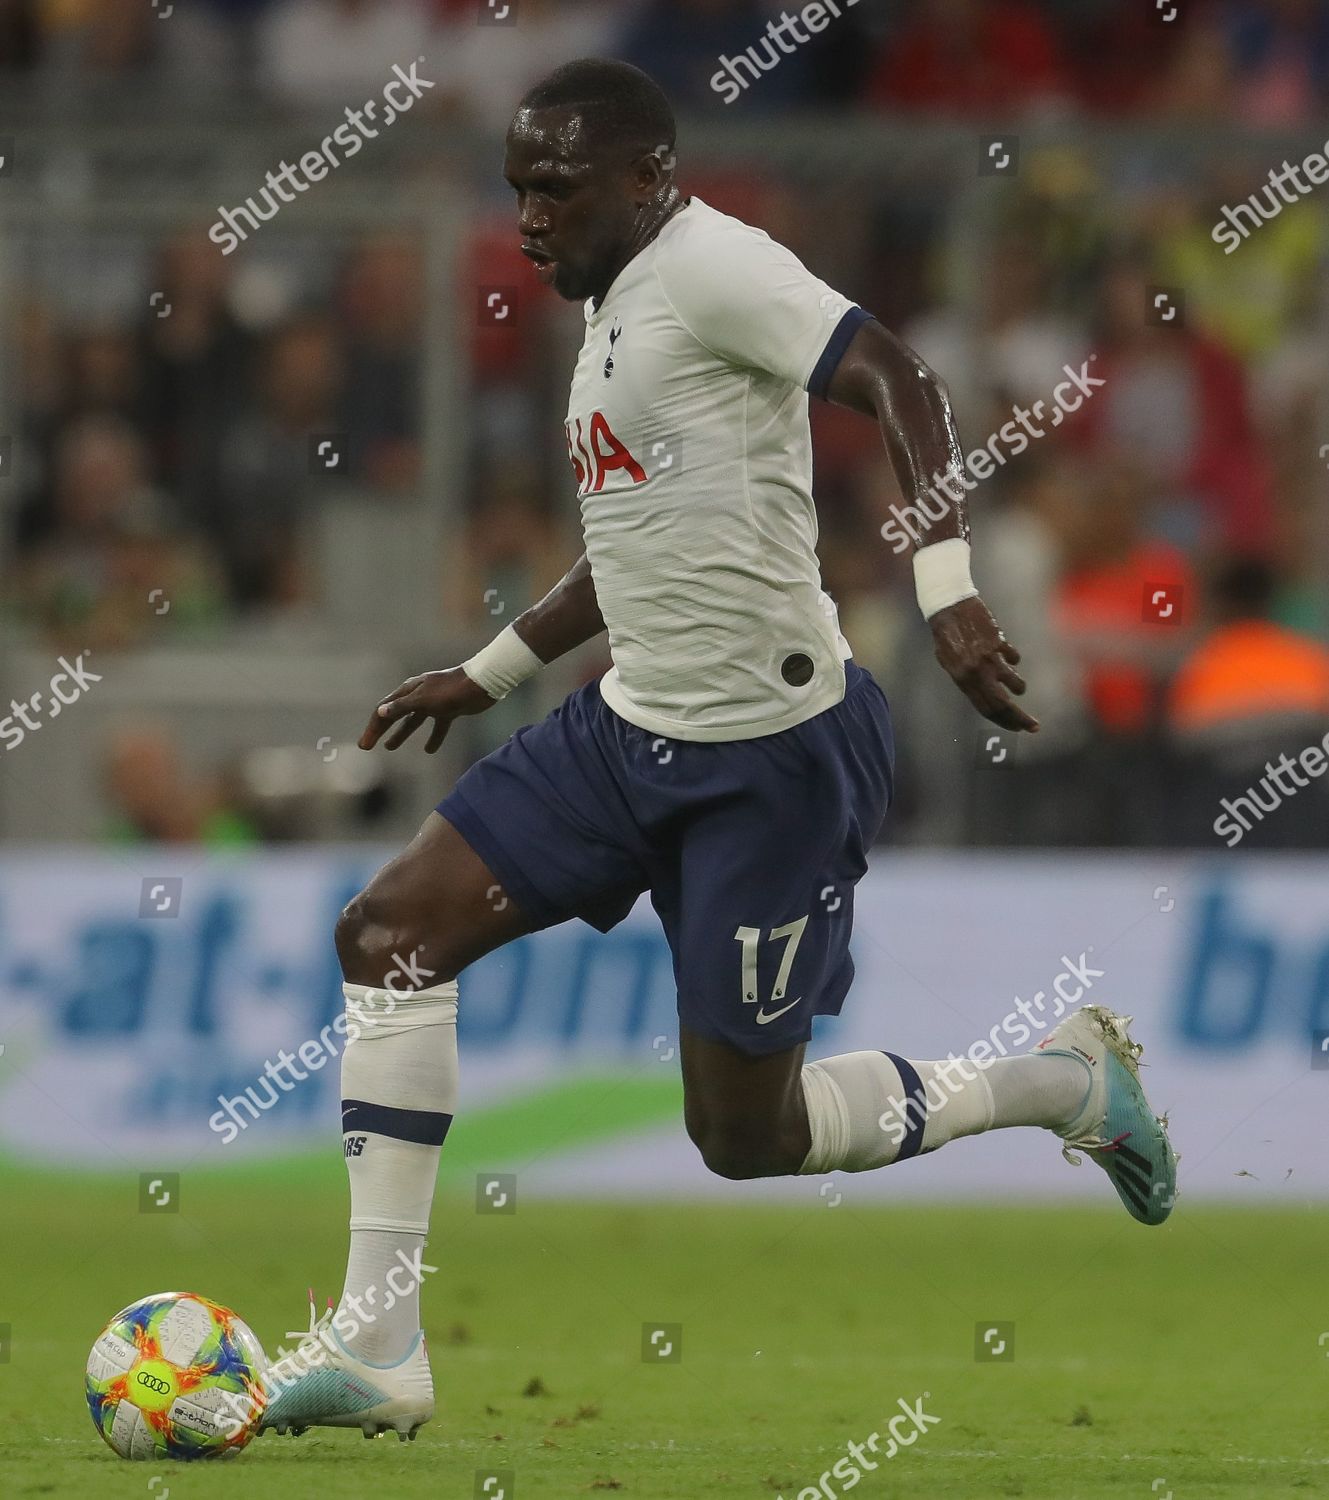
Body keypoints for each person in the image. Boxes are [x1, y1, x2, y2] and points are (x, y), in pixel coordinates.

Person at [258, 58, 1178, 1444]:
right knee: (390, 931)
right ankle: (380, 1342)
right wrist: (492, 669)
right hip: (627, 733)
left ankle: (1061, 1083)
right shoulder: (618, 303)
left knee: (746, 1139)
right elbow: (627, 547)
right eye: (513, 190)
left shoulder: (713, 268)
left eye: (551, 190)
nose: (524, 221)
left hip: (771, 753)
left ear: (647, 179)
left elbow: (897, 373)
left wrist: (944, 590)